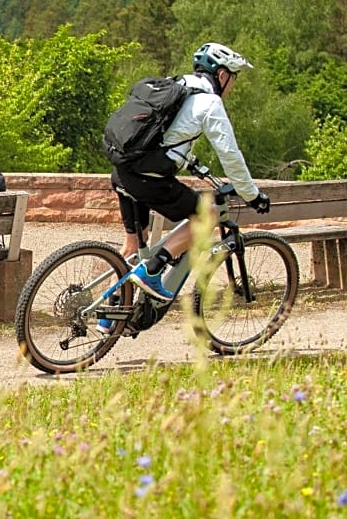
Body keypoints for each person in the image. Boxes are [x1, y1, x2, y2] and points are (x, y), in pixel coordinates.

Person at [100, 42, 271, 333]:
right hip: (147, 177)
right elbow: (230, 155)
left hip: (123, 170)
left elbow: (165, 134)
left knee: (132, 246)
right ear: (221, 75)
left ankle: (108, 315)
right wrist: (250, 193)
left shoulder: (177, 85)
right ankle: (154, 270)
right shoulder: (210, 103)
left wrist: (190, 161)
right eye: (234, 77)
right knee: (206, 216)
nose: (233, 85)